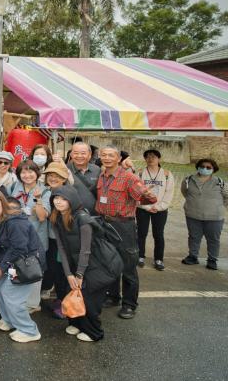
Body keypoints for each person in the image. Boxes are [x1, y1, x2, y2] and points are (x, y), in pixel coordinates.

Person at [96, 144, 157, 319]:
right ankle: (113, 296)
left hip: (123, 225)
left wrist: (142, 195)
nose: (107, 158)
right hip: (104, 223)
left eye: (111, 155)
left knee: (128, 266)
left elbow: (150, 198)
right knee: (110, 262)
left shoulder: (129, 177)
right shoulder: (102, 175)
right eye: (104, 155)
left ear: (119, 158)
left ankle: (129, 304)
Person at [0, 190, 44, 343]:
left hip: (25, 264)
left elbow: (19, 249)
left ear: (3, 203)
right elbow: (5, 247)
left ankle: (29, 331)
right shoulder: (0, 220)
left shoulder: (15, 222)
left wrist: (0, 268)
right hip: (12, 263)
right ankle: (9, 321)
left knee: (10, 293)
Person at [50, 185, 109, 342]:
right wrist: (69, 274)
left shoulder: (83, 218)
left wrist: (79, 274)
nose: (58, 202)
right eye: (56, 198)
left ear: (72, 200)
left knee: (88, 298)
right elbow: (61, 248)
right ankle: (76, 323)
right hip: (73, 262)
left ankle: (94, 332)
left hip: (92, 263)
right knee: (71, 292)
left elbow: (86, 250)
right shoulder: (56, 217)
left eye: (63, 199)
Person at [43, 160, 92, 317]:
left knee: (66, 271)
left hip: (69, 242)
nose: (53, 178)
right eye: (50, 175)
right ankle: (61, 300)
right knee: (57, 270)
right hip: (54, 238)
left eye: (57, 175)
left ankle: (70, 305)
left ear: (64, 178)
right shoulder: (47, 192)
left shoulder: (70, 193)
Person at [5, 160, 51, 312]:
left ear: (37, 173)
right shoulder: (15, 186)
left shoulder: (45, 191)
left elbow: (42, 217)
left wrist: (38, 199)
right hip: (16, 236)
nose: (27, 175)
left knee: (33, 269)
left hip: (35, 238)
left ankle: (32, 304)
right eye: (23, 172)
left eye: (30, 171)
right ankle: (18, 300)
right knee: (16, 267)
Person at [181, 158, 227, 270]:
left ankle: (212, 260)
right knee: (193, 237)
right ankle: (193, 256)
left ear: (213, 169)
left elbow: (226, 197)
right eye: (202, 166)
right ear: (198, 167)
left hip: (214, 217)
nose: (205, 169)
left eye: (208, 167)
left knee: (213, 239)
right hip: (193, 215)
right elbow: (185, 192)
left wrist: (218, 207)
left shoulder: (220, 182)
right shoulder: (188, 180)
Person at [137, 149, 174, 270]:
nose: (150, 159)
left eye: (153, 156)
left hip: (160, 210)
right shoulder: (140, 173)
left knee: (158, 234)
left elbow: (169, 193)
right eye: (147, 156)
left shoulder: (167, 174)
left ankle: (158, 259)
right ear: (145, 159)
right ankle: (140, 256)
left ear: (159, 158)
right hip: (143, 209)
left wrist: (158, 207)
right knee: (141, 233)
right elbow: (136, 193)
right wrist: (147, 207)